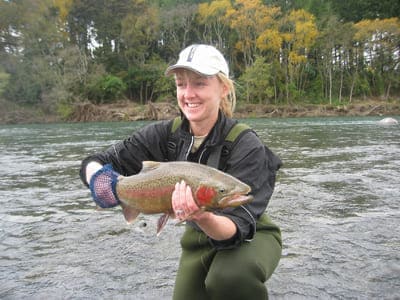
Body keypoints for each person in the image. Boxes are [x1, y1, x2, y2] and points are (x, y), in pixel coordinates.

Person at [79, 44, 282, 299]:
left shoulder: (247, 144)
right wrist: (99, 180)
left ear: (224, 88)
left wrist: (202, 216)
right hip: (197, 239)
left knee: (229, 278)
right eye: (180, 84)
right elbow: (95, 161)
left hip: (251, 235)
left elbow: (239, 226)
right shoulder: (164, 134)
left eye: (199, 83)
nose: (188, 94)